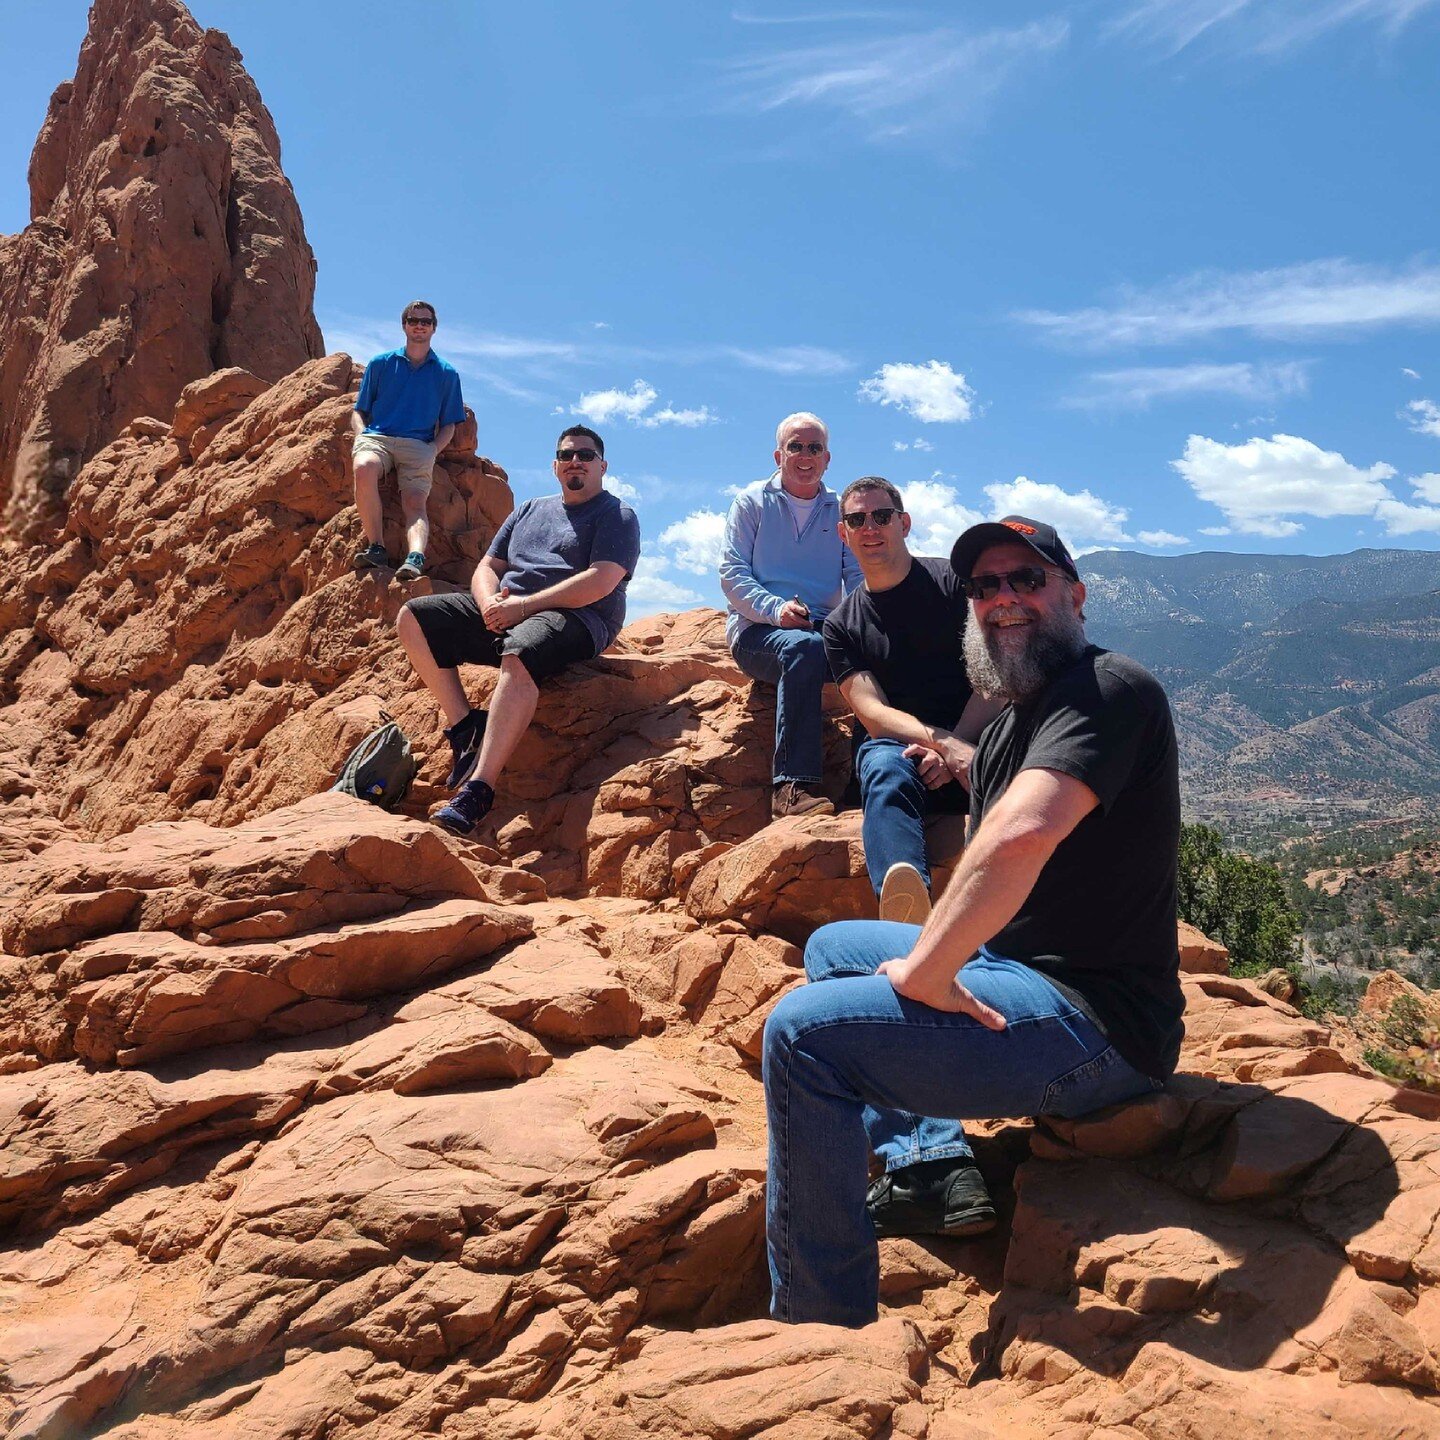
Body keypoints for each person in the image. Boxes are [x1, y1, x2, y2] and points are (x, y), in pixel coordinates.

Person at [762, 514, 1185, 1328]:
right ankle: (924, 1161)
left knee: (802, 1035)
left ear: (1075, 594)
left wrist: (927, 972)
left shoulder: (1108, 689)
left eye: (1027, 579)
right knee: (833, 947)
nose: (1003, 599)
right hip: (1020, 967)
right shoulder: (1013, 719)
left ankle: (819, 1318)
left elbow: (1022, 832)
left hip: (1097, 1025)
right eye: (984, 586)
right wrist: (953, 758)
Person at [395, 425, 640, 836]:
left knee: (521, 650)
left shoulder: (617, 515)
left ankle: (479, 789)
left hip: (578, 618)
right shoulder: (529, 509)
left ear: (602, 466)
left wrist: (523, 607)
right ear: (555, 466)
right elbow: (488, 567)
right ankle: (465, 726)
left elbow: (600, 581)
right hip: (511, 610)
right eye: (566, 455)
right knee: (414, 616)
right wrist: (490, 602)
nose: (574, 461)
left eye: (585, 454)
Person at [823, 476, 1004, 924]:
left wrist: (959, 746)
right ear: (843, 533)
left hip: (978, 734)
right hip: (901, 749)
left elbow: (995, 675)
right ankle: (904, 912)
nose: (870, 527)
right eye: (857, 519)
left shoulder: (954, 585)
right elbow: (873, 713)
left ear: (903, 523)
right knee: (882, 765)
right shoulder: (842, 625)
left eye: (881, 516)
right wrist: (943, 744)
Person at [720, 412, 861, 819]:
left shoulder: (841, 509)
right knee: (804, 648)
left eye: (814, 448)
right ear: (778, 454)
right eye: (795, 446)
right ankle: (792, 789)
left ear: (827, 458)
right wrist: (776, 610)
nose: (805, 455)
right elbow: (732, 573)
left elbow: (856, 574)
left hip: (824, 625)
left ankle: (863, 785)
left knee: (877, 656)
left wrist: (866, 623)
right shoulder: (751, 502)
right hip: (758, 630)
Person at [351, 300, 467, 582]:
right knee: (364, 468)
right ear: (404, 325)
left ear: (434, 328)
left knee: (415, 501)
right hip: (378, 437)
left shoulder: (446, 373)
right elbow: (358, 410)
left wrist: (433, 450)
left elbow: (449, 423)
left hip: (418, 445)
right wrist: (361, 436)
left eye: (425, 322)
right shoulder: (381, 364)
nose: (419, 325)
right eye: (414, 320)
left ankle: (415, 557)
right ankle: (376, 546)